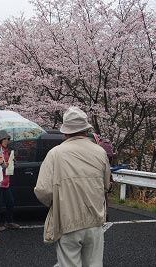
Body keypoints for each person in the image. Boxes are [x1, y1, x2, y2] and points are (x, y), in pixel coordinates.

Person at [34, 107, 111, 267]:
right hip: (95, 221)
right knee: (94, 264)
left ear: (65, 132)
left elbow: (42, 190)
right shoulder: (100, 152)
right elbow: (106, 185)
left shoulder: (56, 153)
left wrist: (56, 203)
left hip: (68, 220)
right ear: (86, 129)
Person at [0, 130, 20, 231]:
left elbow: (9, 163)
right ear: (0, 140)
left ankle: (9, 222)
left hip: (6, 182)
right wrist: (4, 165)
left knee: (10, 202)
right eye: (5, 139)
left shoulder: (7, 151)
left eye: (8, 139)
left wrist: (13, 162)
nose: (7, 141)